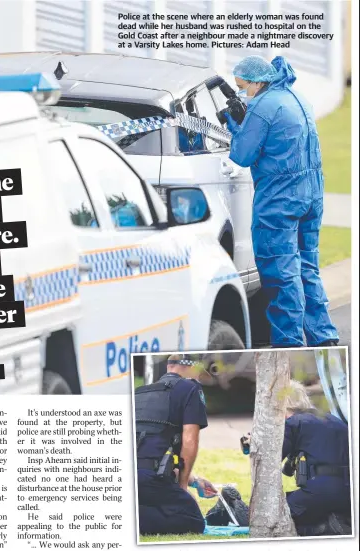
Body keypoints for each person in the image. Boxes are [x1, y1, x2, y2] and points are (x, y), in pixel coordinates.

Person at [223, 55, 339, 348]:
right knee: (306, 268)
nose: (241, 93)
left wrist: (236, 127)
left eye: (242, 87)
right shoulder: (295, 97)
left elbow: (242, 156)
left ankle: (289, 346)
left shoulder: (263, 106)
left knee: (281, 273)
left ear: (258, 81)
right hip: (311, 197)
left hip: (280, 201)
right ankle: (323, 337)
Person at [242, 380, 351, 536]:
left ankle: (324, 528)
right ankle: (336, 521)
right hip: (349, 494)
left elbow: (268, 463)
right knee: (291, 501)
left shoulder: (292, 423)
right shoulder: (333, 420)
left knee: (270, 516)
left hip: (319, 492)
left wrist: (257, 445)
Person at [135, 354, 217, 535]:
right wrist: (182, 487)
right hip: (150, 479)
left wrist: (195, 481)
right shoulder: (190, 388)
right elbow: (189, 440)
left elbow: (152, 446)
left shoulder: (140, 392)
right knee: (193, 521)